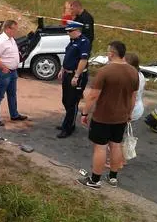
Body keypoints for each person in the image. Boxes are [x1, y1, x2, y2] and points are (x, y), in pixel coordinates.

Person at [78, 41, 139, 189]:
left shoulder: (105, 71)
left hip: (103, 116)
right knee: (116, 145)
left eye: (107, 52)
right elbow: (133, 97)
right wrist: (129, 113)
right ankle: (112, 177)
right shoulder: (133, 72)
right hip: (122, 116)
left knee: (100, 147)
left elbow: (93, 96)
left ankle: (95, 180)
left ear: (111, 53)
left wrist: (85, 113)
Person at [106, 53, 145, 169]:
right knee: (121, 137)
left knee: (114, 138)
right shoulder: (140, 75)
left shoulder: (129, 78)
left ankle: (117, 162)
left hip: (128, 110)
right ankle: (121, 159)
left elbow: (127, 97)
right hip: (137, 109)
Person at [0, 20, 28, 126]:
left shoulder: (11, 39)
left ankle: (14, 114)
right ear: (7, 29)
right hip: (4, 72)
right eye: (14, 29)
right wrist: (4, 67)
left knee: (12, 94)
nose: (16, 31)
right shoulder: (1, 41)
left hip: (13, 72)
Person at [56, 22, 91, 138]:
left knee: (72, 102)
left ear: (77, 30)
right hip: (67, 73)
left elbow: (83, 60)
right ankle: (68, 122)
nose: (68, 33)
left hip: (76, 76)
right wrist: (62, 69)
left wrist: (76, 76)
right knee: (65, 100)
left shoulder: (84, 42)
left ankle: (68, 127)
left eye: (70, 31)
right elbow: (68, 56)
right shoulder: (73, 41)